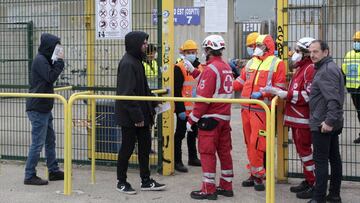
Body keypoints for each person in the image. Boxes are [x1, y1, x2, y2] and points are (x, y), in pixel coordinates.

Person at [261, 37, 316, 199]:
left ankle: (313, 183)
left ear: (306, 54)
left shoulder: (309, 69)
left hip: (302, 120)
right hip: (296, 119)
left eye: (298, 51)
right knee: (302, 152)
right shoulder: (301, 68)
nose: (294, 53)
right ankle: (308, 180)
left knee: (306, 153)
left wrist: (285, 94)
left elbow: (308, 95)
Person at [233, 34, 286, 191]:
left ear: (268, 47)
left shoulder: (277, 64)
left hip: (262, 110)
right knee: (249, 142)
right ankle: (253, 172)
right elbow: (240, 82)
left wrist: (263, 94)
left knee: (258, 143)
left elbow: (280, 88)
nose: (255, 48)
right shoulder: (251, 61)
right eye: (255, 45)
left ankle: (259, 176)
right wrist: (224, 85)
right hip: (246, 109)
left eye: (259, 45)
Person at [115, 31, 165, 195]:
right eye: (143, 43)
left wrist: (154, 100)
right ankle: (121, 181)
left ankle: (146, 180)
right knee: (127, 149)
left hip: (142, 115)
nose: (146, 46)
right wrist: (137, 118)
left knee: (145, 148)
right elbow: (127, 94)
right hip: (131, 117)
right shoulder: (128, 64)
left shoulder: (137, 61)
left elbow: (143, 89)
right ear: (136, 44)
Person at [186, 35, 234, 200]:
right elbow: (213, 84)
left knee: (207, 153)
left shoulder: (211, 69)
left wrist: (191, 119)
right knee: (225, 152)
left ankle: (208, 189)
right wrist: (194, 72)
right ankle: (227, 186)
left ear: (208, 50)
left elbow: (203, 99)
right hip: (224, 118)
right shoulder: (225, 67)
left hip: (210, 119)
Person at [24, 33, 65, 185]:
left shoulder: (45, 59)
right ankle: (29, 175)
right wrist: (60, 62)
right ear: (49, 46)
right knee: (38, 142)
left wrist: (57, 61)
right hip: (37, 108)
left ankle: (53, 170)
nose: (58, 50)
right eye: (56, 47)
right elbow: (50, 77)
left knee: (50, 140)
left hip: (44, 107)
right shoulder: (40, 60)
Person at [307, 40, 344, 203]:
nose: (312, 55)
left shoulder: (326, 71)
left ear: (326, 52)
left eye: (316, 51)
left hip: (324, 124)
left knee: (321, 161)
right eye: (310, 52)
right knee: (334, 158)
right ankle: (334, 195)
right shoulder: (329, 67)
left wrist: (328, 122)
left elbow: (333, 100)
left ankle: (319, 198)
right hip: (330, 121)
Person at [173, 40, 202, 173]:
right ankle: (177, 161)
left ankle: (192, 157)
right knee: (180, 134)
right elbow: (176, 91)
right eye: (188, 52)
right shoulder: (179, 67)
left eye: (193, 52)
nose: (191, 54)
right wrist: (180, 110)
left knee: (193, 133)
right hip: (184, 110)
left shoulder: (200, 67)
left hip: (196, 109)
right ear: (183, 53)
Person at [342, 31, 360, 144]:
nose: (356, 43)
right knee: (359, 113)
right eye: (355, 41)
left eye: (358, 41)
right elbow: (344, 71)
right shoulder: (349, 54)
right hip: (353, 89)